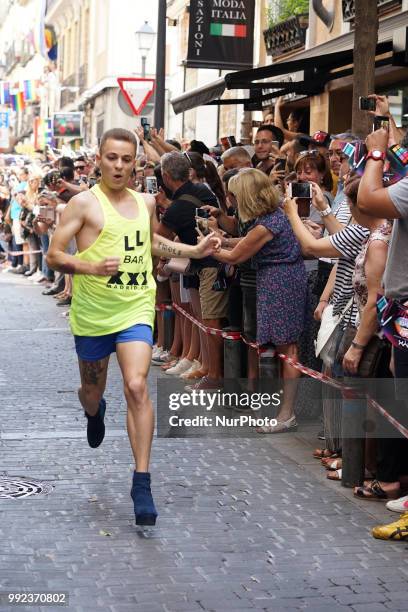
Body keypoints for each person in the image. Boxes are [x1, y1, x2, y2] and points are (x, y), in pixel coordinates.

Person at [46, 128, 220, 526]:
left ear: (135, 163)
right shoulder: (82, 204)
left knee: (138, 385)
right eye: (112, 158)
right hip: (93, 314)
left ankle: (141, 480)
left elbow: (150, 244)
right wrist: (89, 265)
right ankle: (94, 410)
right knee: (92, 391)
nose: (119, 166)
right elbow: (55, 254)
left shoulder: (145, 203)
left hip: (135, 308)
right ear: (100, 160)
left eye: (127, 159)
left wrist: (193, 250)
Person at [213, 168, 308, 432]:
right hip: (278, 280)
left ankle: (286, 414)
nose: (231, 200)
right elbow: (245, 242)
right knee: (282, 347)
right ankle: (281, 410)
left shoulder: (268, 223)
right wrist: (225, 240)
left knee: (286, 349)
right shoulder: (272, 217)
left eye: (233, 195)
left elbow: (236, 257)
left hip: (280, 283)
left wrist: (208, 247)